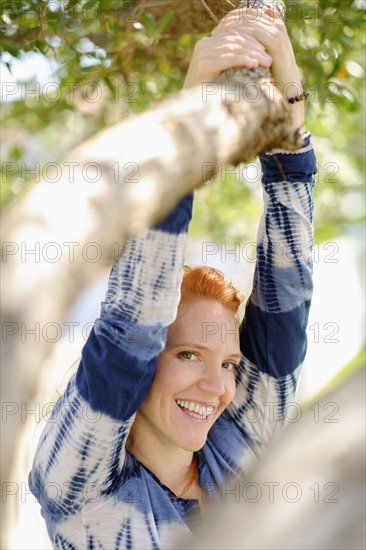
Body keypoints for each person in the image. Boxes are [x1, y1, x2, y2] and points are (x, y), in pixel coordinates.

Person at [29, 7, 317, 549]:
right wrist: (191, 115)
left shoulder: (238, 446)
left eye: (229, 364)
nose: (216, 388)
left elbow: (286, 310)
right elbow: (132, 326)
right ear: (143, 370)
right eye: (187, 355)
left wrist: (289, 117)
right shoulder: (79, 490)